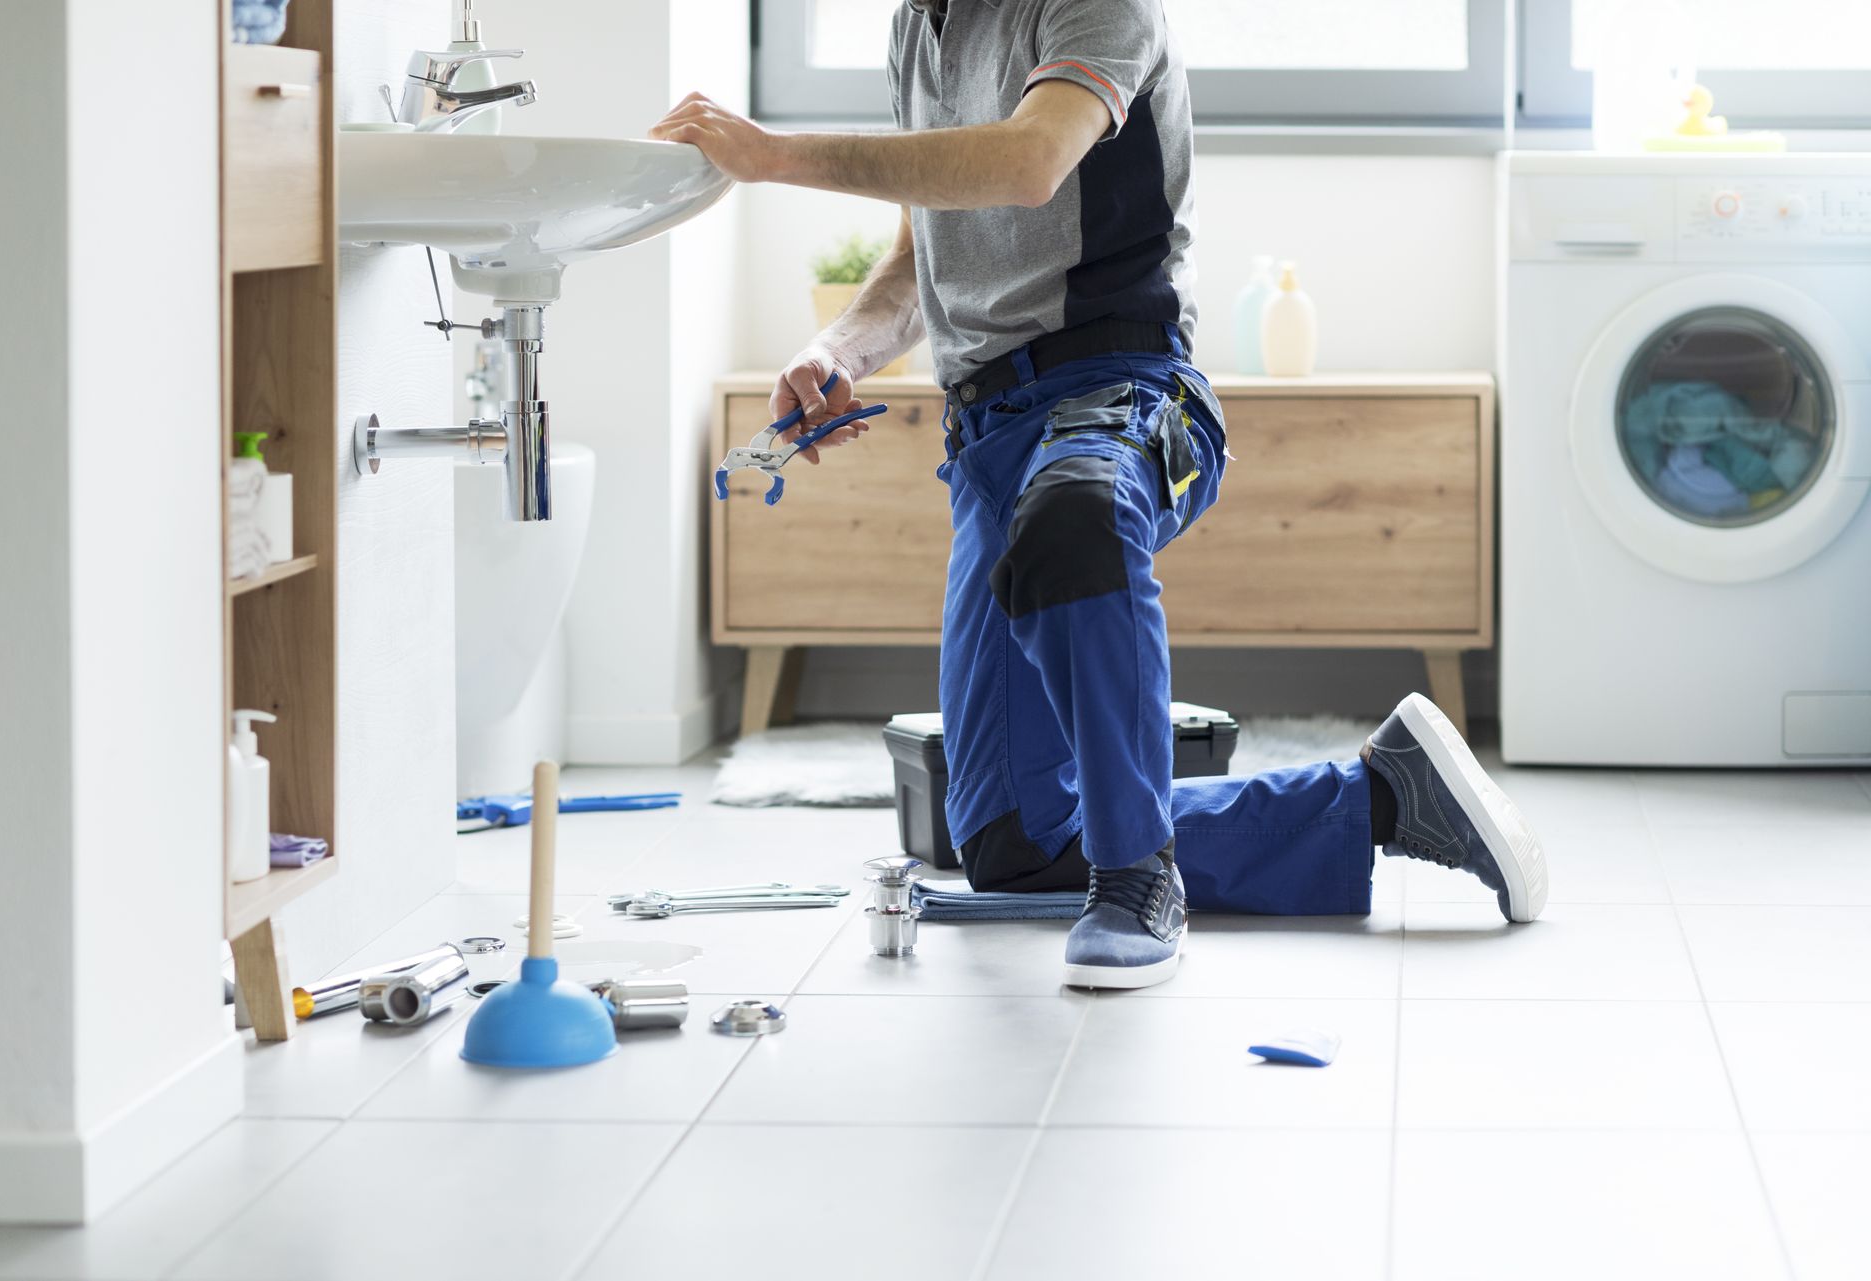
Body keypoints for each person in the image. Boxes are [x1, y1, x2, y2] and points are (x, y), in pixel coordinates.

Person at [652, 0, 1548, 990]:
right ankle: (1385, 801)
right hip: (986, 440)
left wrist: (775, 157)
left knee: (1076, 518)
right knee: (1012, 838)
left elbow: (1029, 161)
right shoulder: (918, 28)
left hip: (1125, 389)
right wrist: (837, 349)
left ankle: (1136, 880)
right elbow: (924, 249)